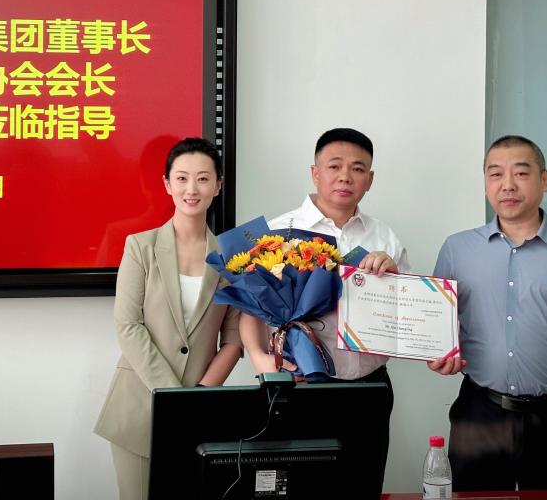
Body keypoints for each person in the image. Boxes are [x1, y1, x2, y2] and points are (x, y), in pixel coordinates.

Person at [429, 135, 547, 491]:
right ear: (485, 183)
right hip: (479, 412)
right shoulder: (457, 249)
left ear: (544, 180)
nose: (507, 185)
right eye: (495, 174)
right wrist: (439, 353)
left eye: (521, 173)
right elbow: (437, 328)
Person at [238, 127, 408, 494]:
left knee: (363, 484)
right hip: (298, 386)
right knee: (298, 488)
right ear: (315, 173)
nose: (345, 176)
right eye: (334, 166)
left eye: (358, 169)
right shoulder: (278, 232)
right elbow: (250, 310)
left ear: (370, 180)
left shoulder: (386, 239)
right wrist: (260, 359)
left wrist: (393, 278)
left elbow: (405, 316)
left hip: (369, 386)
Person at [94, 137, 243, 500]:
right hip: (139, 408)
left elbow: (233, 340)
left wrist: (200, 397)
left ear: (218, 185)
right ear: (167, 184)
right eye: (182, 178)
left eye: (203, 179)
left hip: (200, 412)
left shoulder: (233, 256)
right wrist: (172, 397)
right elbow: (128, 325)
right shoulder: (140, 246)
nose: (192, 189)